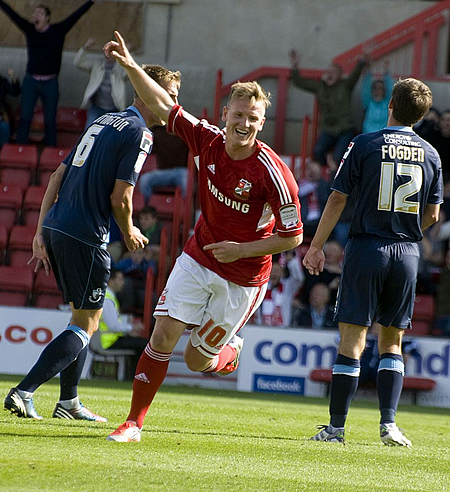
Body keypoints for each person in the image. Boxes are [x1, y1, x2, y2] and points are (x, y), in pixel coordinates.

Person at [104, 32, 303, 443]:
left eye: (253, 118)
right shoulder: (207, 140)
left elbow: (293, 237)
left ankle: (227, 353)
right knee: (162, 335)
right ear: (225, 113)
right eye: (238, 115)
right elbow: (163, 104)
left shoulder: (274, 173)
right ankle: (133, 423)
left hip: (243, 276)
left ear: (261, 123)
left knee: (196, 360)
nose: (244, 124)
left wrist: (241, 249)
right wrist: (129, 66)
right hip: (198, 257)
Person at [3, 64, 183, 422]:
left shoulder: (102, 122)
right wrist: (130, 230)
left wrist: (40, 230)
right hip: (86, 232)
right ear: (149, 92)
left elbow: (57, 175)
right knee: (87, 324)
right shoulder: (140, 134)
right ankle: (24, 391)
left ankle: (68, 402)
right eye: (170, 94)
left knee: (82, 318)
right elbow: (122, 198)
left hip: (57, 226)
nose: (174, 102)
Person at [303, 77, 442, 447]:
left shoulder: (364, 143)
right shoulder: (431, 153)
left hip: (368, 247)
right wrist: (407, 226)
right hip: (407, 252)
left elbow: (336, 200)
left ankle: (336, 428)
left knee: (352, 340)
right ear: (423, 113)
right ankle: (389, 426)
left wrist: (316, 246)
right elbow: (433, 214)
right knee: (392, 342)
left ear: (390, 106)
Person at [0, 1, 96, 146]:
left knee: (50, 120)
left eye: (40, 13)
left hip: (50, 82)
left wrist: (91, 2)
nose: (35, 16)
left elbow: (76, 16)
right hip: (31, 81)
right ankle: (20, 149)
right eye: (34, 13)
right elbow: (13, 15)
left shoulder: (58, 30)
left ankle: (51, 151)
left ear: (47, 18)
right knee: (25, 118)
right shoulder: (30, 30)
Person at [289, 49, 367, 168]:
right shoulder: (320, 86)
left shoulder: (345, 85)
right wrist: (294, 67)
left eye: (333, 72)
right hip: (328, 129)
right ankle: (325, 174)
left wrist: (361, 61)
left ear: (340, 75)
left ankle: (334, 176)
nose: (330, 74)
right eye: (328, 72)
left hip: (345, 128)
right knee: (317, 151)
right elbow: (301, 83)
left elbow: (355, 74)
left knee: (339, 156)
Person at [98, 269, 148, 376]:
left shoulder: (108, 297)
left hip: (110, 340)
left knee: (141, 343)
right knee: (144, 345)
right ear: (111, 281)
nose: (123, 282)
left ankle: (133, 376)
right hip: (109, 342)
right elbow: (113, 326)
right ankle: (135, 377)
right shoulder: (107, 300)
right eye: (120, 279)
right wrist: (132, 328)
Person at [74, 38, 129, 129]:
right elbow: (78, 63)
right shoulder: (97, 65)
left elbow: (134, 72)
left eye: (112, 54)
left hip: (114, 110)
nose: (108, 56)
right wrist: (85, 48)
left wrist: (126, 54)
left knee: (110, 136)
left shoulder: (121, 69)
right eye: (107, 53)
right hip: (97, 107)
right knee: (89, 131)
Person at [139, 123, 189, 203]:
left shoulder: (184, 133)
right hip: (162, 172)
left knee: (187, 179)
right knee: (145, 179)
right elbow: (145, 141)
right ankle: (147, 210)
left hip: (181, 171)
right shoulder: (158, 132)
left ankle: (185, 209)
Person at [253, 252, 304, 327]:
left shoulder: (287, 287)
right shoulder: (262, 287)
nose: (274, 274)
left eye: (277, 271)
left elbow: (298, 279)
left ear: (282, 274)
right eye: (272, 271)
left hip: (284, 329)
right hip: (263, 328)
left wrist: (291, 262)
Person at [361, 60, 394, 133]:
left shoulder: (387, 103)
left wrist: (386, 72)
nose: (377, 92)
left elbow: (390, 89)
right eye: (375, 89)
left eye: (380, 89)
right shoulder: (368, 102)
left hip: (383, 135)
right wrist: (368, 70)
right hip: (368, 134)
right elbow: (365, 87)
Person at [0, 68, 20, 148]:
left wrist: (14, 80)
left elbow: (15, 92)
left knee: (4, 127)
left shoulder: (2, 82)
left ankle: (3, 153)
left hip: (1, 117)